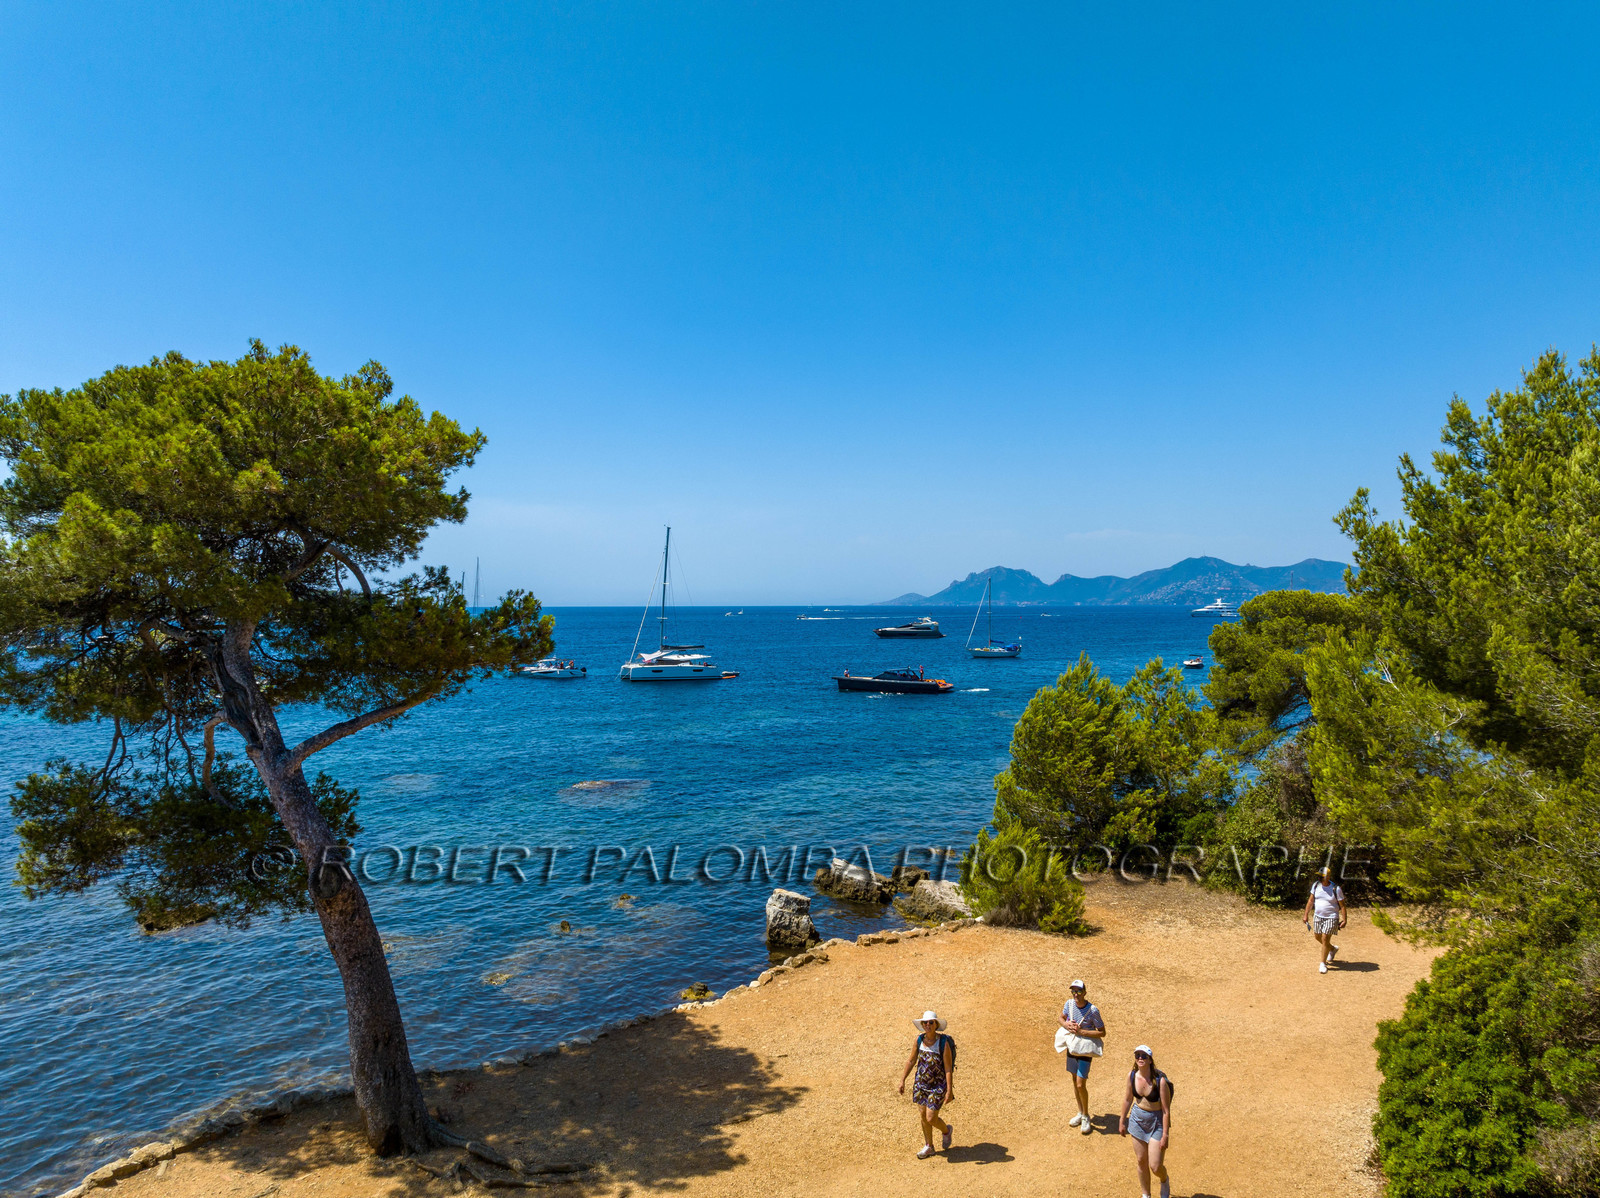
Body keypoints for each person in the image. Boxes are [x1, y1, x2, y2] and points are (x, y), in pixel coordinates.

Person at [898, 1010, 956, 1159]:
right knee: (923, 1116)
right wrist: (902, 1079)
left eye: (931, 1022)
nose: (928, 1025)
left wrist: (949, 1091)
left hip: (937, 1086)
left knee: (931, 1118)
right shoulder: (919, 1040)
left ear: (936, 1025)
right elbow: (911, 1061)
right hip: (921, 1084)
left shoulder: (943, 1043)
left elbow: (948, 1068)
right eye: (925, 1023)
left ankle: (946, 1131)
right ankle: (929, 1146)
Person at [1119, 1044, 1172, 1198]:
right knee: (1141, 1160)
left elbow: (1166, 1111)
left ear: (1150, 1060)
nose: (1140, 1058)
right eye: (1138, 1056)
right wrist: (1122, 1120)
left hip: (1157, 1122)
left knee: (1155, 1166)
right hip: (1137, 1120)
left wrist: (1165, 1135)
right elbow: (1128, 1099)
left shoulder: (1160, 1081)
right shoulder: (1131, 1076)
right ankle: (1146, 1195)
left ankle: (1164, 1179)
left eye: (1144, 1056)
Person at [1058, 978, 1105, 1135]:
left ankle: (1085, 1116)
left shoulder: (1093, 1011)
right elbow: (1061, 1018)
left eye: (1078, 991)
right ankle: (1080, 1112)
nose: (1076, 994)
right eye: (1073, 991)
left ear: (1085, 992)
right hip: (1072, 1047)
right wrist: (1066, 1025)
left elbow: (1102, 1032)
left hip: (1084, 1049)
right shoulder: (1069, 1004)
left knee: (1080, 1084)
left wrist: (1083, 1032)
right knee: (1074, 1081)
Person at [1302, 865, 1347, 974]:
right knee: (1317, 936)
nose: (1319, 878)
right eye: (1319, 876)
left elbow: (1342, 905)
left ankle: (1322, 963)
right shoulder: (1316, 885)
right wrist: (1306, 914)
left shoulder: (1336, 889)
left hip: (1331, 917)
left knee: (1325, 938)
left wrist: (1344, 920)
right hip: (1318, 916)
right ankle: (1332, 949)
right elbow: (1311, 901)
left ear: (1328, 877)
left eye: (1322, 876)